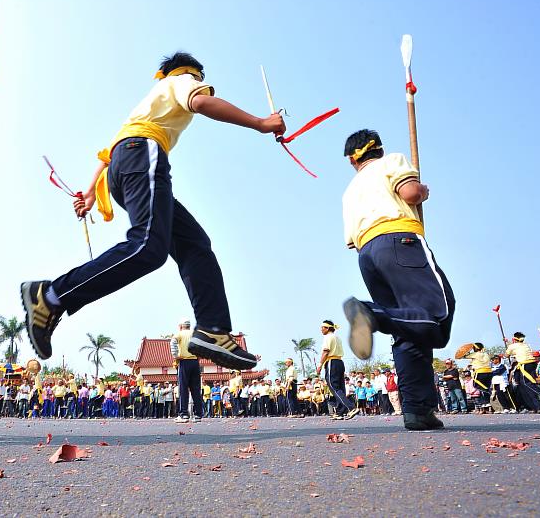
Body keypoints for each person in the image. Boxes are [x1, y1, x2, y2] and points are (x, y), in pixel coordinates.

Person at [21, 51, 284, 371]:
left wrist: (90, 194)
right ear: (193, 73)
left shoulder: (148, 103)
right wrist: (260, 122)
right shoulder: (182, 81)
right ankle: (51, 295)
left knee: (193, 243)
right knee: (148, 247)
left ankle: (213, 330)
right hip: (143, 153)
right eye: (200, 79)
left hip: (126, 162)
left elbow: (107, 156)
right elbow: (201, 103)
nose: (200, 85)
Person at [340, 129, 455, 431]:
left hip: (367, 253)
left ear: (353, 161)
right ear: (378, 150)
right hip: (399, 240)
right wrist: (422, 191)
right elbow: (410, 194)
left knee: (407, 328)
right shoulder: (391, 161)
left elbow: (351, 240)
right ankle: (371, 314)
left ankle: (417, 411)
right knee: (436, 315)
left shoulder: (350, 190)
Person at [316, 320, 359, 420]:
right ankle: (340, 411)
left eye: (322, 327)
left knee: (333, 386)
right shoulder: (337, 337)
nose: (321, 329)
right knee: (340, 387)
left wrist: (320, 365)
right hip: (340, 362)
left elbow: (326, 352)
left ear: (327, 328)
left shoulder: (328, 337)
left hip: (332, 361)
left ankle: (351, 407)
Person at [170, 319, 203, 422]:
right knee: (196, 389)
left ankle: (184, 414)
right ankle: (198, 414)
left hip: (184, 361)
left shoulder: (179, 334)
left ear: (181, 326)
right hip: (195, 362)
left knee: (183, 388)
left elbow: (172, 343)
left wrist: (176, 356)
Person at [505, 332, 540, 412]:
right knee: (528, 387)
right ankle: (538, 407)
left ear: (514, 339)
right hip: (532, 364)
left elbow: (506, 355)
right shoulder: (526, 345)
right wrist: (508, 342)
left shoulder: (512, 346)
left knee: (528, 384)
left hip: (525, 365)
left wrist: (508, 349)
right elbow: (516, 348)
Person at [459, 343, 492, 413]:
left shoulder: (475, 354)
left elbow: (461, 356)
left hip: (480, 372)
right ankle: (487, 404)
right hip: (489, 372)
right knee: (484, 388)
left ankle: (485, 402)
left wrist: (467, 351)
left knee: (477, 387)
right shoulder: (486, 354)